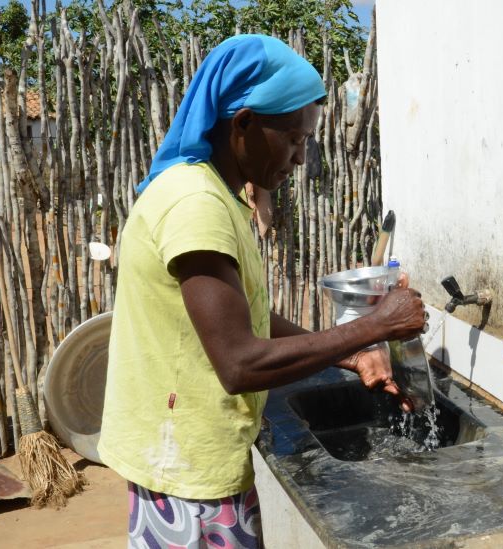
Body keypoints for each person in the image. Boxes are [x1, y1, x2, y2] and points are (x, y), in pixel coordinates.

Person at [97, 34, 426, 548]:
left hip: (191, 457)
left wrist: (354, 354)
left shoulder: (216, 194)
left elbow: (246, 314)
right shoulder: (195, 205)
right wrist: (377, 324)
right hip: (187, 471)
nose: (299, 159)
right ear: (244, 123)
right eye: (294, 139)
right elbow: (238, 362)